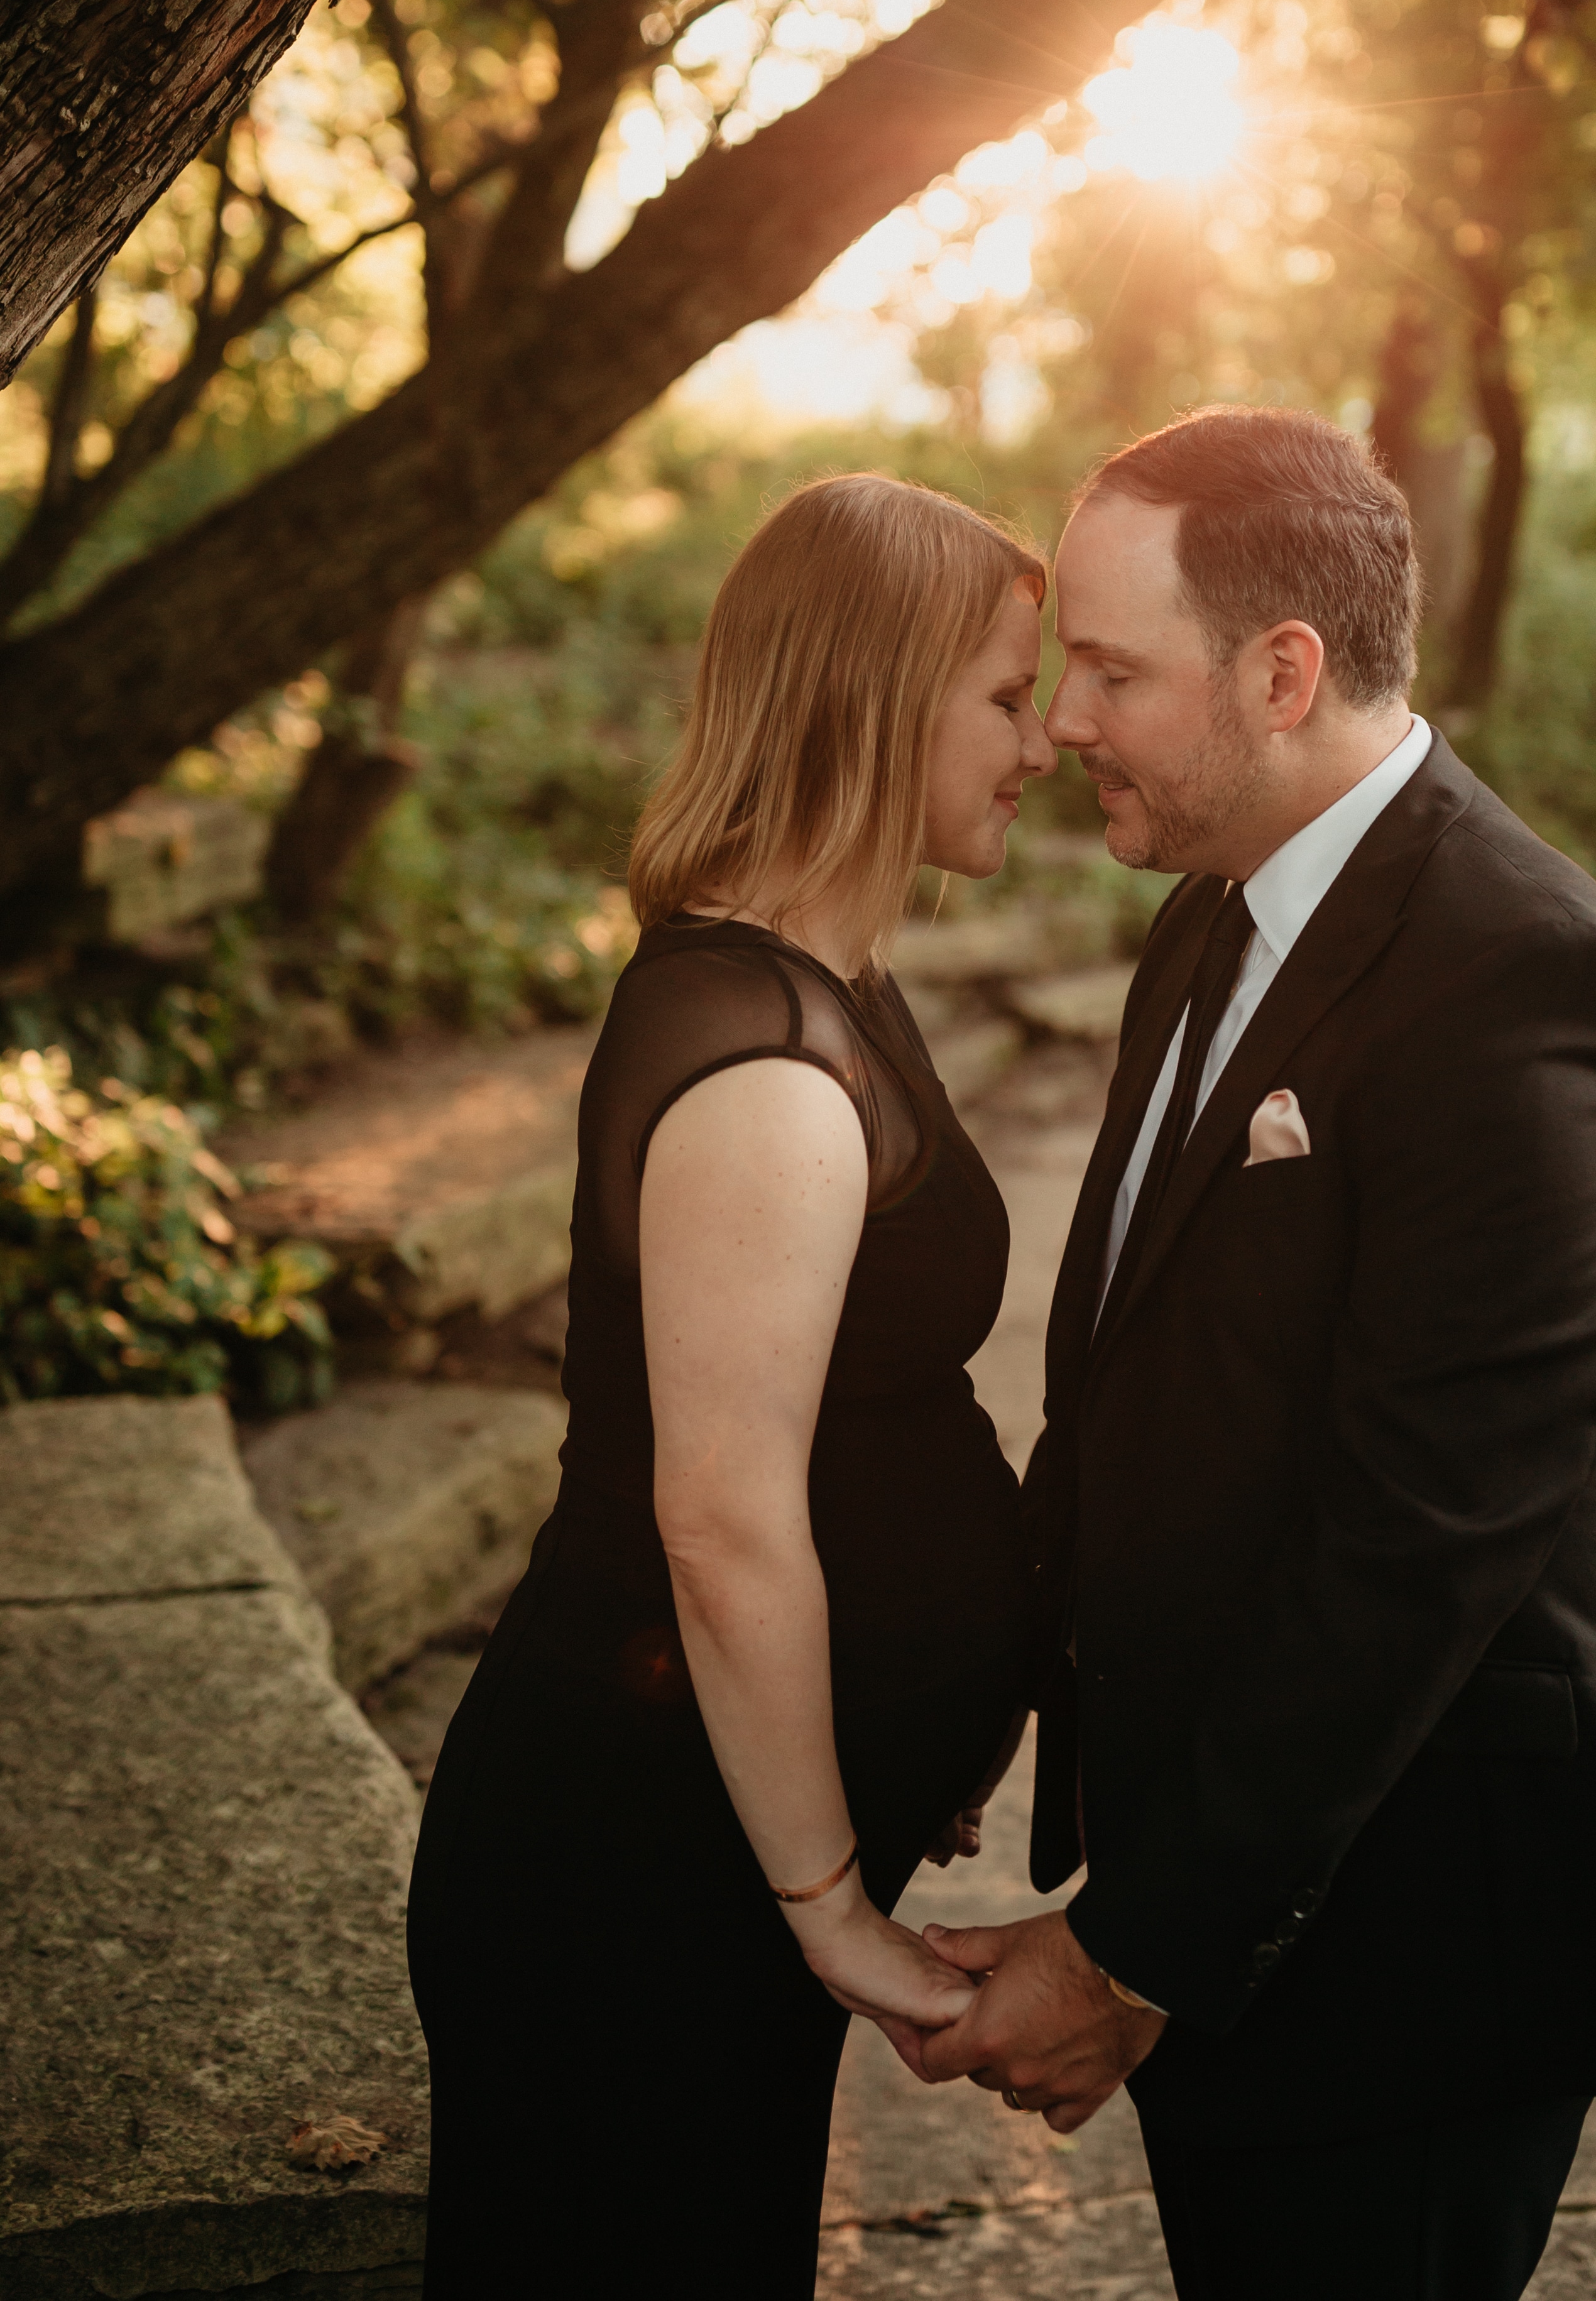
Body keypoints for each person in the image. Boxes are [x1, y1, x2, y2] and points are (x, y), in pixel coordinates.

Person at [905, 407, 1596, 2301]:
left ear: (1283, 672)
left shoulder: (1521, 980)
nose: (1060, 718)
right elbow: (1129, 1398)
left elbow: (1418, 1542)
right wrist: (942, 1717)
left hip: (1412, 1931)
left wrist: (1131, 1957)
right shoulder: (1205, 912)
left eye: (1109, 668)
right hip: (1231, 1879)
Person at [406, 473, 1056, 2298]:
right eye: (1008, 698)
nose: (1044, 744)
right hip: (632, 1884)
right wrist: (830, 1910)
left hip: (699, 1855)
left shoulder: (828, 987)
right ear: (874, 693)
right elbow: (720, 1521)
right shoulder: (765, 1069)